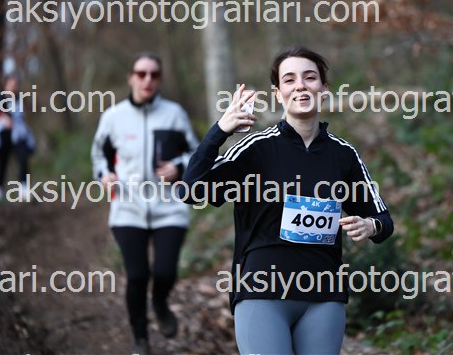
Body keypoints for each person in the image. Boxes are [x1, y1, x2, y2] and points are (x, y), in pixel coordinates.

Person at [182, 46, 394, 354]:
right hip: (262, 291)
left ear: (323, 88)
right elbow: (191, 190)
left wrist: (370, 225)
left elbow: (383, 220)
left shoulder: (343, 155)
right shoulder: (256, 149)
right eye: (290, 79)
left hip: (324, 296)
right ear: (278, 93)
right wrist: (219, 132)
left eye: (310, 77)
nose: (300, 86)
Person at [91, 52, 199, 355]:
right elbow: (99, 156)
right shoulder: (113, 117)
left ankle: (160, 302)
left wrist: (179, 167)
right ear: (131, 77)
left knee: (165, 272)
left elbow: (197, 153)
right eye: (141, 74)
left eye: (154, 74)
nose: (147, 80)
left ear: (160, 79)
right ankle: (140, 339)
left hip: (170, 208)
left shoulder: (175, 114)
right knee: (137, 276)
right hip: (128, 209)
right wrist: (104, 175)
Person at [0, 73, 35, 201]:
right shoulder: (1, 97)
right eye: (12, 83)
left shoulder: (20, 98)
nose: (14, 85)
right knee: (3, 162)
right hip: (4, 135)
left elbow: (25, 114)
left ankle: (24, 190)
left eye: (16, 83)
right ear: (6, 84)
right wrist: (5, 119)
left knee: (23, 159)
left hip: (19, 134)